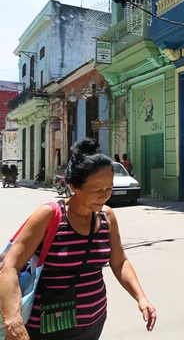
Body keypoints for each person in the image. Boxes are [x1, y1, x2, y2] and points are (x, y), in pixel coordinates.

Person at [0, 138, 156, 340]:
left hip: (93, 322)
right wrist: (13, 321)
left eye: (109, 188)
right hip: (47, 327)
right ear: (74, 186)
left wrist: (141, 297)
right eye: (96, 190)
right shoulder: (49, 216)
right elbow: (10, 266)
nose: (105, 196)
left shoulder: (106, 216)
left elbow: (119, 261)